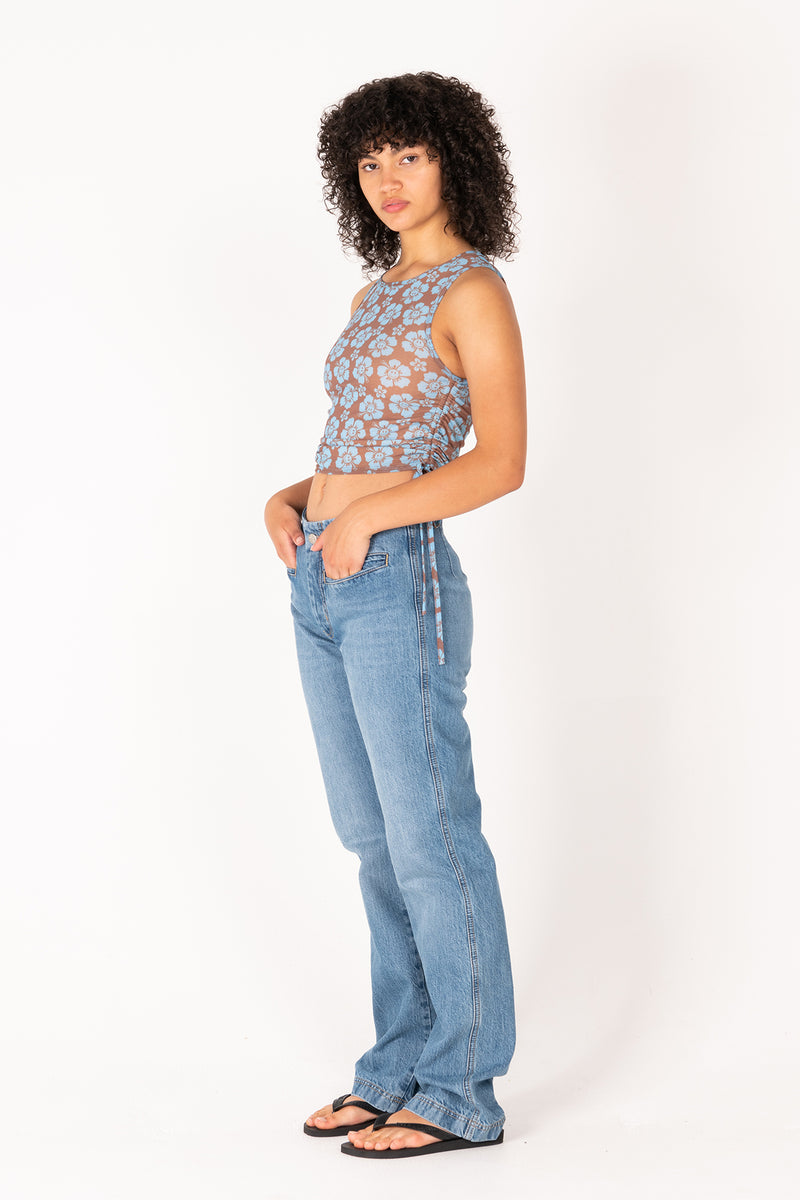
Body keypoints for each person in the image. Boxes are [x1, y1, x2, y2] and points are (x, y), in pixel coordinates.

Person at [264, 71, 526, 1159]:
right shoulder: (377, 292)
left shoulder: (472, 291)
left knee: (430, 839)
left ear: (453, 159)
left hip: (393, 574)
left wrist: (365, 526)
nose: (386, 180)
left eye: (406, 156)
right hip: (322, 576)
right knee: (371, 838)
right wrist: (295, 498)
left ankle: (461, 1087)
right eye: (368, 162)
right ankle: (399, 1066)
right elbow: (364, 446)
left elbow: (500, 463)